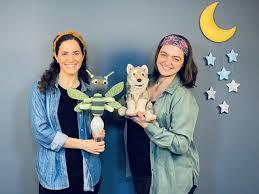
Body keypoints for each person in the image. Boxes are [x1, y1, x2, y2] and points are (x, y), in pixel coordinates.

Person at [29, 30, 105, 194]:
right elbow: (41, 131)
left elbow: (94, 125)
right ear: (56, 56)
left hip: (88, 174)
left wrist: (98, 133)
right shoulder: (40, 90)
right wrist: (83, 144)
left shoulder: (91, 91)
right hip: (54, 177)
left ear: (83, 55)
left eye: (76, 53)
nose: (71, 59)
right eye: (64, 53)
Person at [127, 34, 199, 194]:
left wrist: (146, 125)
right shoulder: (144, 81)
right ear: (157, 55)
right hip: (141, 171)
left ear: (183, 64)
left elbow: (181, 144)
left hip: (169, 179)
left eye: (176, 58)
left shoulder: (182, 97)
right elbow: (123, 106)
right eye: (164, 54)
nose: (167, 62)